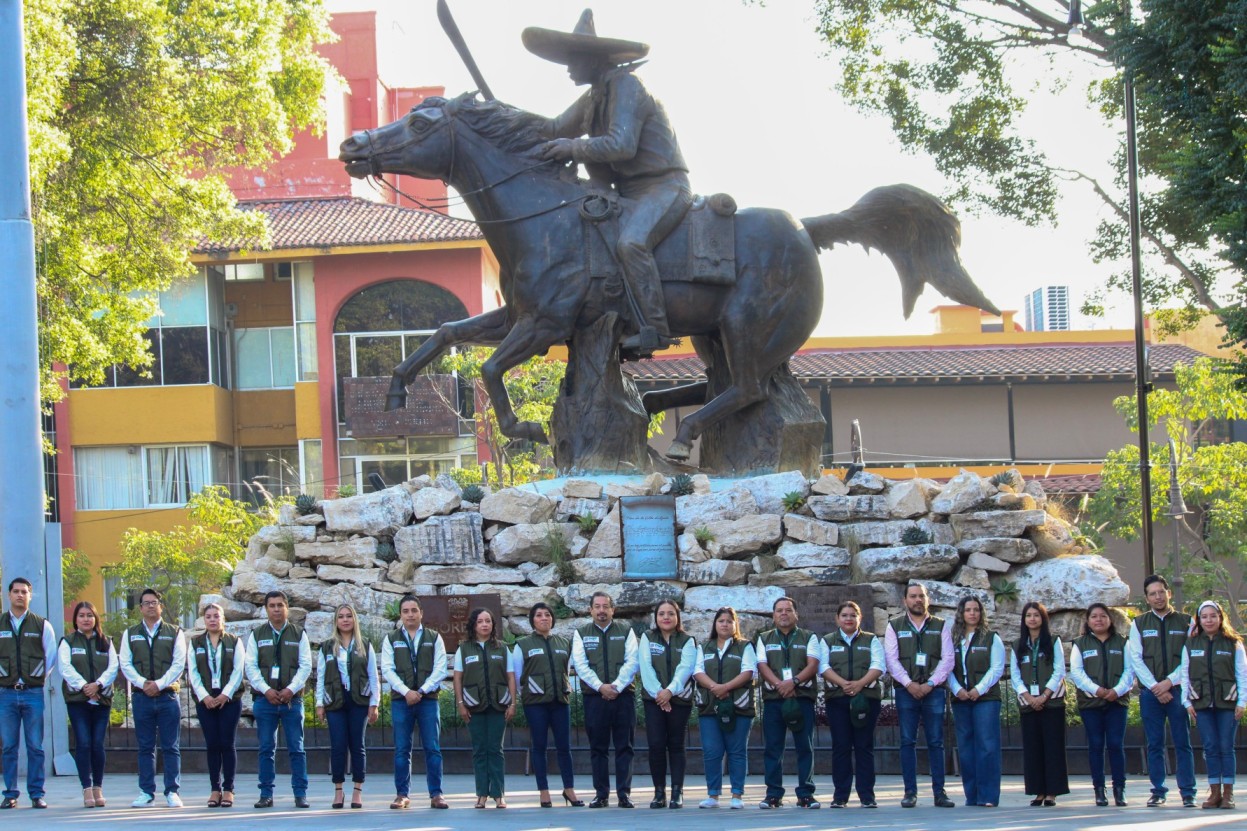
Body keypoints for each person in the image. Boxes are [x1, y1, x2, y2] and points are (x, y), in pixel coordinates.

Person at [523, 9, 692, 356]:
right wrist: (499, 117)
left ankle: (654, 328)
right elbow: (554, 128)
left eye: (572, 60)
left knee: (631, 244)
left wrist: (573, 147)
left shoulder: (627, 85)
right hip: (625, 195)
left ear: (592, 58)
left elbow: (621, 144)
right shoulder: (594, 97)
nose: (568, 68)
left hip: (663, 188)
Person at [1127, 574, 1197, 807]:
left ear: (1169, 593)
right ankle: (1158, 790)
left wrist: (1169, 682)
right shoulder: (1139, 624)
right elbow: (1136, 659)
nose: (1157, 597)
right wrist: (1157, 687)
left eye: (1161, 592)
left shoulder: (1187, 622)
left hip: (1177, 691)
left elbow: (1189, 658)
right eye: (1152, 593)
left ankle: (1188, 791)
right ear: (1147, 598)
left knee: (1182, 742)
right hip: (1151, 694)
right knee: (1154, 743)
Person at [884, 582, 955, 808]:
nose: (917, 600)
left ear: (928, 600)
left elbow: (948, 658)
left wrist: (931, 683)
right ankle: (910, 793)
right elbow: (891, 659)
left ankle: (939, 793)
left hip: (933, 691)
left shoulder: (941, 625)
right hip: (906, 691)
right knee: (907, 741)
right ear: (905, 600)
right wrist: (909, 684)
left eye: (921, 596)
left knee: (936, 741)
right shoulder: (894, 626)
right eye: (913, 596)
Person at [244, 590, 312, 809]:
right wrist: (266, 690)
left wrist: (291, 689)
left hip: (292, 701)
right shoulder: (257, 634)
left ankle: (300, 794)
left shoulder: (299, 634)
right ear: (266, 609)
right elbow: (251, 667)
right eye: (272, 605)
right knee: (266, 748)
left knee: (297, 748)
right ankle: (266, 794)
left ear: (287, 608)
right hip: (265, 701)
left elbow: (306, 666)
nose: (276, 609)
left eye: (280, 605)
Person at [119, 587, 186, 808]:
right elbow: (125, 663)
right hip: (141, 697)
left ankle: (172, 791)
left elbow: (178, 664)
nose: (150, 606)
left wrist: (158, 684)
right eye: (146, 602)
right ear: (140, 608)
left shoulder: (174, 632)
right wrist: (142, 684)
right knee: (145, 746)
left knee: (171, 746)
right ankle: (146, 791)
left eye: (154, 602)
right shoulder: (130, 633)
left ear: (161, 606)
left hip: (167, 697)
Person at [380, 595, 449, 810]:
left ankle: (436, 794)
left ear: (421, 613)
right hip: (402, 701)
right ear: (401, 614)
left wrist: (421, 690)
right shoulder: (391, 639)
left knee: (433, 748)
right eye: (406, 611)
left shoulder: (434, 637)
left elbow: (441, 668)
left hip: (428, 700)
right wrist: (406, 691)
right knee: (402, 749)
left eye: (414, 610)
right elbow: (387, 669)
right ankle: (402, 794)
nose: (410, 614)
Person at [571, 591, 639, 808]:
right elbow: (581, 666)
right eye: (597, 606)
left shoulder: (626, 631)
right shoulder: (581, 633)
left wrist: (616, 686)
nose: (601, 610)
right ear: (590, 610)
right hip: (595, 698)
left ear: (613, 610)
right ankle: (601, 794)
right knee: (598, 748)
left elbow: (633, 661)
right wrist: (601, 687)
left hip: (623, 696)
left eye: (605, 606)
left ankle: (623, 794)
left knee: (624, 747)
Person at [511, 602, 581, 807]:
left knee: (564, 747)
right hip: (535, 704)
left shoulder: (563, 643)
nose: (544, 618)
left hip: (560, 701)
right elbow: (517, 676)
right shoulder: (522, 645)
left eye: (548, 615)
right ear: (532, 620)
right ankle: (543, 791)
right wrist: (529, 694)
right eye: (539, 615)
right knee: (539, 747)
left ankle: (569, 789)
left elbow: (567, 670)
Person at [1180, 600, 1247, 810]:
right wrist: (1186, 701)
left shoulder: (1233, 642)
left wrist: (1242, 701)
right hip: (1201, 703)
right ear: (1199, 620)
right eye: (1204, 616)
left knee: (1226, 747)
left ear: (1221, 617)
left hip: (1228, 703)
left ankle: (1228, 793)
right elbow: (1185, 674)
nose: (1209, 620)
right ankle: (1214, 792)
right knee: (1210, 748)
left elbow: (1242, 674)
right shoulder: (1191, 643)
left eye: (1213, 616)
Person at [755, 595, 821, 809]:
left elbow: (812, 664)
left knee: (805, 747)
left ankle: (806, 793)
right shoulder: (764, 638)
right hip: (774, 700)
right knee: (773, 748)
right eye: (779, 610)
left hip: (801, 698)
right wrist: (779, 685)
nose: (784, 613)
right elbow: (762, 665)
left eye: (788, 610)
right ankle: (773, 794)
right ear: (773, 616)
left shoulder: (809, 636)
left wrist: (792, 682)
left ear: (796, 614)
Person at [819, 601, 885, 809]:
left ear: (859, 618)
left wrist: (859, 684)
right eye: (844, 615)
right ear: (837, 619)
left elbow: (878, 665)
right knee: (841, 747)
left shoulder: (871, 639)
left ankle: (867, 795)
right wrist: (843, 684)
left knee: (864, 747)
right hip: (838, 699)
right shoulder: (828, 641)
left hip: (866, 699)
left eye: (852, 615)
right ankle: (840, 796)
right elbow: (823, 665)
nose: (848, 619)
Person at [0, 577, 57, 810]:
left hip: (33, 693)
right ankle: (10, 794)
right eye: (16, 591)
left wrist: (39, 679)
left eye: (24, 591)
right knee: (9, 746)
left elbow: (51, 655)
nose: (20, 595)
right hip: (5, 693)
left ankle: (36, 794)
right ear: (9, 595)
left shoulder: (42, 624)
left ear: (30, 595)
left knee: (36, 746)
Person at [315, 604, 379, 810]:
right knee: (338, 746)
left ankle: (358, 791)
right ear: (335, 621)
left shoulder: (364, 645)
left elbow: (373, 676)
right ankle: (338, 790)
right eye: (341, 617)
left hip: (358, 701)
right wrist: (319, 703)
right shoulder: (326, 646)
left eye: (348, 616)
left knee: (357, 746)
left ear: (354, 620)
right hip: (335, 701)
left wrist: (374, 703)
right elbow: (321, 677)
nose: (345, 620)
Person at [1070, 602, 1134, 807]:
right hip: (1091, 703)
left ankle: (1119, 789)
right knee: (1096, 746)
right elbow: (1077, 673)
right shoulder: (1080, 644)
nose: (1099, 620)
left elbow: (1129, 671)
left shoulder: (1123, 643)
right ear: (1088, 622)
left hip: (1118, 702)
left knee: (1116, 745)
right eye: (1094, 616)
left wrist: (1116, 691)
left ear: (1110, 619)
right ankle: (1099, 789)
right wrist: (1097, 690)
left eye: (1103, 616)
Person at [693, 606, 756, 810]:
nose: (725, 624)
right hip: (710, 706)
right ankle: (713, 795)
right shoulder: (705, 646)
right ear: (715, 624)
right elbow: (698, 671)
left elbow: (748, 671)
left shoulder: (745, 647)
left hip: (739, 706)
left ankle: (737, 794)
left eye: (729, 621)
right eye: (721, 621)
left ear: (735, 624)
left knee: (737, 751)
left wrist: (726, 687)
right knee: (712, 751)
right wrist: (714, 687)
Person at [454, 607, 516, 808]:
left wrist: (513, 703)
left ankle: (498, 793)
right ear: (474, 625)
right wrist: (461, 704)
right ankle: (481, 793)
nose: (484, 625)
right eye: (480, 621)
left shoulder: (502, 647)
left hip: (498, 704)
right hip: (473, 706)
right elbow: (458, 678)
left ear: (493, 624)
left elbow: (510, 676)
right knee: (480, 750)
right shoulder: (464, 649)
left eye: (488, 621)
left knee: (496, 749)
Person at [638, 600, 697, 809]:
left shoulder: (688, 640)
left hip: (678, 700)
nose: (666, 617)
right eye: (661, 613)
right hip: (654, 701)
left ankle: (677, 792)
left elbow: (685, 668)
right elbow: (645, 666)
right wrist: (659, 695)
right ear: (656, 617)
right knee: (655, 746)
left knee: (676, 745)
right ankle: (659, 793)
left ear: (677, 617)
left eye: (670, 613)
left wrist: (670, 691)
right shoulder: (647, 637)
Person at [58, 600, 117, 809]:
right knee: (83, 743)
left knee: (97, 744)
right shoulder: (68, 641)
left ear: (95, 618)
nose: (85, 619)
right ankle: (86, 787)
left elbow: (113, 667)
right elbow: (65, 668)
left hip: (101, 701)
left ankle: (98, 787)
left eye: (89, 615)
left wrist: (98, 685)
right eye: (81, 615)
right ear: (76, 619)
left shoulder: (106, 641)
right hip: (78, 701)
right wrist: (85, 686)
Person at [947, 595, 1005, 808]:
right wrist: (958, 689)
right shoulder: (952, 639)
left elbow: (997, 668)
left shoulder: (991, 638)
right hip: (961, 699)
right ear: (961, 613)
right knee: (966, 748)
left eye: (976, 610)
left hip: (986, 699)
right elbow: (947, 667)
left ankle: (988, 795)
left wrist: (978, 690)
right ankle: (972, 795)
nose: (972, 613)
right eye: (968, 610)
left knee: (987, 746)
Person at [1010, 601, 1069, 806]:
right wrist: (1027, 696)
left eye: (1036, 615)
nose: (1032, 619)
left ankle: (1052, 792)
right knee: (1033, 748)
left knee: (1053, 747)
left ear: (1043, 619)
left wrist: (1044, 696)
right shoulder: (1018, 645)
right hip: (1028, 704)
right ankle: (1038, 792)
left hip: (1051, 703)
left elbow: (1059, 670)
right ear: (1024, 620)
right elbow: (1015, 675)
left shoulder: (1053, 642)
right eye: (1029, 615)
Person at [187, 602, 245, 808]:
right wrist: (205, 696)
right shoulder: (195, 643)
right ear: (204, 620)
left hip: (229, 700)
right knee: (212, 744)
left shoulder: (234, 641)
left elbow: (238, 671)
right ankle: (215, 789)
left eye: (216, 616)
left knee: (227, 744)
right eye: (208, 616)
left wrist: (225, 695)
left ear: (223, 619)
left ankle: (229, 789)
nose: (212, 619)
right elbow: (193, 673)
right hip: (206, 701)